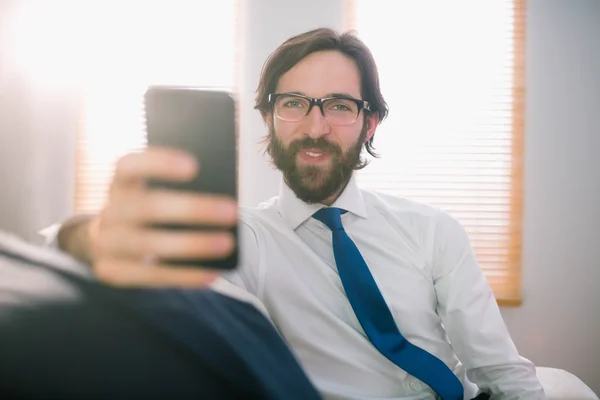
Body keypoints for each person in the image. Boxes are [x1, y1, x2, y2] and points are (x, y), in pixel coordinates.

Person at [50, 28, 546, 399]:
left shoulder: (433, 230)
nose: (315, 127)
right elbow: (77, 254)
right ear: (269, 119)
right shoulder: (241, 238)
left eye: (339, 106)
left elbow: (499, 368)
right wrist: (93, 237)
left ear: (369, 123)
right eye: (294, 104)